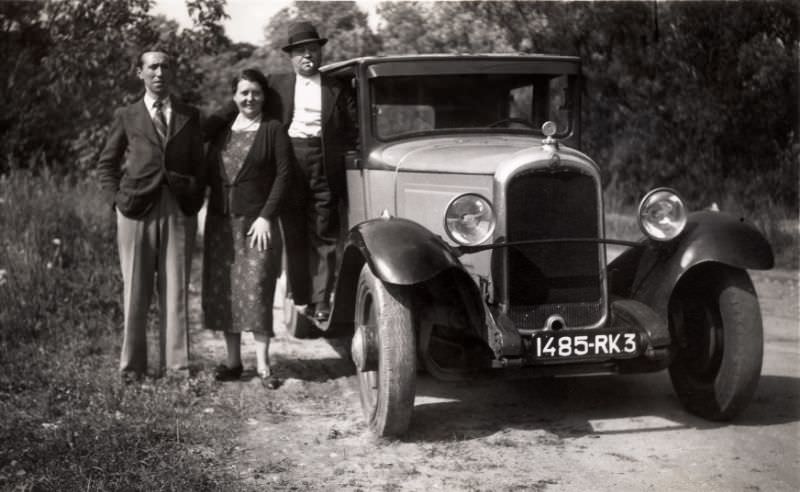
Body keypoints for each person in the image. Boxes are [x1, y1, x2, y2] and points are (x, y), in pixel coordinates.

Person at [207, 20, 357, 322]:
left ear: (320, 52)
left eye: (312, 50)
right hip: (289, 159)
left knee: (324, 230)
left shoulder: (337, 88)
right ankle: (301, 295)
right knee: (294, 230)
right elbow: (244, 100)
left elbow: (353, 126)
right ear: (291, 57)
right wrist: (207, 126)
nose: (307, 57)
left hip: (325, 160)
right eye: (301, 52)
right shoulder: (277, 84)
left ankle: (321, 298)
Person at [97, 49, 205, 382]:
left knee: (175, 290)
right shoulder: (126, 115)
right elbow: (106, 164)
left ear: (172, 73)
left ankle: (176, 368)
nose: (160, 72)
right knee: (136, 291)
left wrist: (194, 197)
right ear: (140, 73)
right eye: (153, 67)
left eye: (165, 66)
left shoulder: (189, 115)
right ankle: (132, 369)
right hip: (135, 211)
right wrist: (115, 201)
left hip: (177, 209)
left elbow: (200, 164)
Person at [202, 69, 291, 389]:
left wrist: (267, 215)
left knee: (256, 291)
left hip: (258, 225)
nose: (249, 99)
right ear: (234, 97)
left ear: (264, 96)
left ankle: (264, 366)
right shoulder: (221, 131)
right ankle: (233, 361)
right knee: (226, 293)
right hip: (221, 224)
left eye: (255, 92)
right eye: (243, 93)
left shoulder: (273, 130)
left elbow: (283, 176)